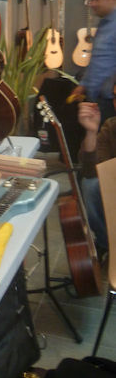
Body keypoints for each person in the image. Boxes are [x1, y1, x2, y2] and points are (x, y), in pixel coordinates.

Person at [77, 82, 116, 257]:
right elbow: (91, 172)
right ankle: (106, 243)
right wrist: (91, 132)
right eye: (115, 97)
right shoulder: (111, 126)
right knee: (91, 185)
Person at [71, 0, 116, 124]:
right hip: (95, 100)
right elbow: (97, 60)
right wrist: (83, 84)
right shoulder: (103, 23)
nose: (92, 4)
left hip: (110, 102)